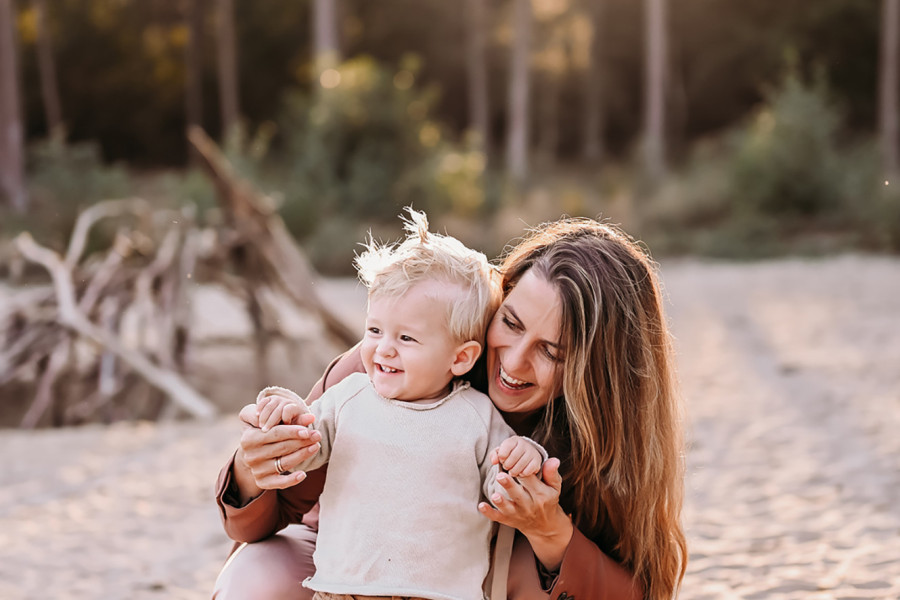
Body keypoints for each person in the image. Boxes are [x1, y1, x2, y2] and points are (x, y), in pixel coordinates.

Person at [213, 216, 688, 600]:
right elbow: (267, 518)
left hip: (481, 581)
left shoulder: (607, 444)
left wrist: (550, 535)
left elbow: (642, 592)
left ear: (599, 373)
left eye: (552, 352)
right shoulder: (388, 368)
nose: (514, 361)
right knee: (254, 575)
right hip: (350, 565)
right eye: (511, 322)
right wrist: (256, 469)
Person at [245, 208, 546, 600]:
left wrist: (525, 457)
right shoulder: (348, 398)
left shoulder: (476, 416)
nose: (382, 348)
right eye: (374, 330)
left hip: (440, 594)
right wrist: (284, 415)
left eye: (407, 339)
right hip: (344, 590)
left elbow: (501, 484)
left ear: (460, 358)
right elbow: (304, 447)